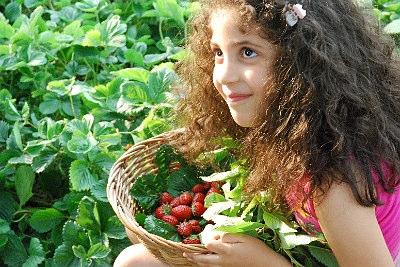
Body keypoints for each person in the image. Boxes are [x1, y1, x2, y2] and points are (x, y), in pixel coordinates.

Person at [114, 0, 400, 266]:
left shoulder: (334, 183)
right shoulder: (295, 127)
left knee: (134, 263)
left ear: (302, 64)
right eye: (218, 53)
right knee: (138, 252)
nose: (225, 75)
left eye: (248, 52)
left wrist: (264, 262)